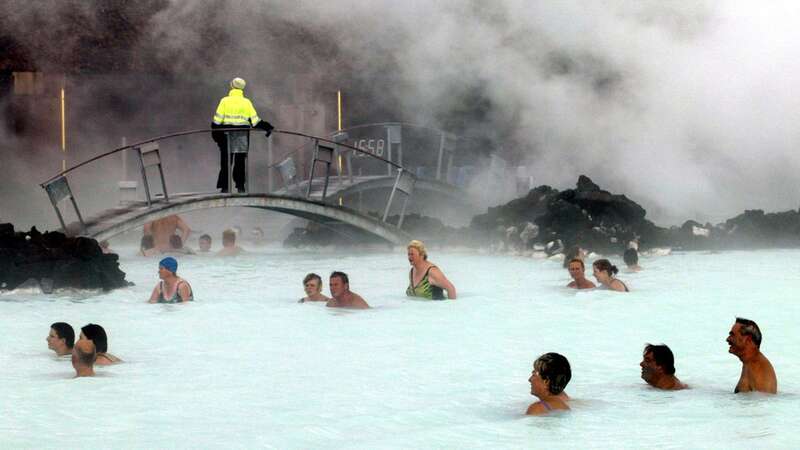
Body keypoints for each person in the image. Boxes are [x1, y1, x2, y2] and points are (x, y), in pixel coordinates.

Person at [211, 77, 274, 193]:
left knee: (226, 162)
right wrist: (267, 127)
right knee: (240, 162)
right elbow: (255, 121)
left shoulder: (224, 101)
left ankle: (225, 188)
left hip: (226, 135)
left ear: (232, 86)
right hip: (242, 136)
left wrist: (216, 136)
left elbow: (217, 121)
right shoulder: (246, 102)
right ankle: (240, 186)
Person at [727, 317, 777, 394]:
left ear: (747, 340)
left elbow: (764, 402)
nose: (728, 339)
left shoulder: (758, 368)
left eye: (732, 335)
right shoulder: (749, 363)